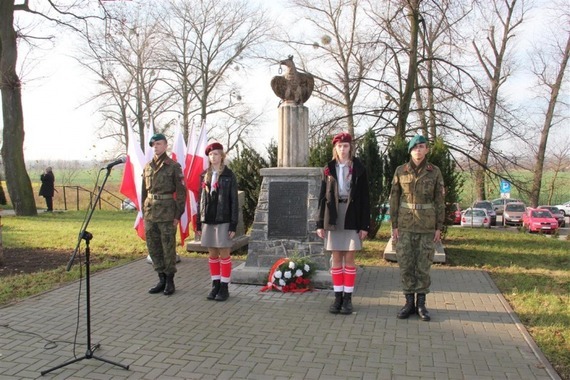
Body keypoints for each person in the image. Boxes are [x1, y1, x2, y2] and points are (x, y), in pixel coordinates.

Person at [389, 134, 445, 321]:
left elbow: (440, 200)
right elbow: (394, 198)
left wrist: (439, 227)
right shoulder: (400, 171)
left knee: (423, 265)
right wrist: (394, 225)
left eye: (421, 147)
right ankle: (408, 303)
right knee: (405, 263)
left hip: (427, 225)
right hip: (405, 225)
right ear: (410, 151)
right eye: (415, 147)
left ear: (427, 149)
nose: (418, 150)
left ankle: (421, 304)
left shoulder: (434, 172)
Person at [316, 132, 370, 315]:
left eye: (346, 146)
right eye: (339, 146)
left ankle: (348, 298)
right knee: (336, 257)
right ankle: (337, 297)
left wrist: (364, 225)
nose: (343, 149)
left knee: (350, 258)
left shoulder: (359, 168)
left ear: (350, 148)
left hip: (352, 213)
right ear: (335, 148)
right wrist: (319, 223)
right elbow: (322, 197)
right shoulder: (328, 169)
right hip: (333, 215)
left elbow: (365, 198)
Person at [142, 133, 187, 296]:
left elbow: (182, 193)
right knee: (153, 247)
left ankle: (170, 280)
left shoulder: (173, 166)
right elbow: (143, 192)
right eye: (154, 144)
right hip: (150, 213)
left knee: (168, 247)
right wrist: (143, 210)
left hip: (167, 213)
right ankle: (160, 278)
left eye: (159, 144)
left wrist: (177, 215)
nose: (156, 146)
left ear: (166, 145)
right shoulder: (147, 166)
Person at [196, 142, 239, 302]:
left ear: (222, 156)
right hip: (208, 219)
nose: (213, 157)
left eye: (216, 154)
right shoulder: (204, 175)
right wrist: (199, 223)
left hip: (224, 219)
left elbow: (234, 201)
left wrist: (233, 224)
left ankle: (224, 286)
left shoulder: (229, 175)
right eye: (211, 154)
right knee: (212, 253)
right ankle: (215, 284)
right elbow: (200, 201)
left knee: (224, 253)